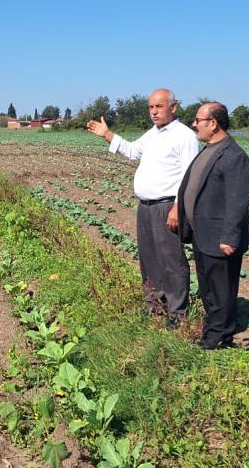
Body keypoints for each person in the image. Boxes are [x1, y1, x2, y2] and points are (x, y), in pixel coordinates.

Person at [86, 89, 199, 325]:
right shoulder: (153, 134)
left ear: (173, 107)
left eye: (159, 106)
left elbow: (189, 176)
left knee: (171, 259)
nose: (154, 112)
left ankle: (178, 313)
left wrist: (178, 207)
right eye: (151, 107)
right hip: (146, 206)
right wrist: (107, 135)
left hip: (167, 205)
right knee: (149, 258)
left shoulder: (184, 136)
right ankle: (155, 305)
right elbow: (131, 150)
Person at [176, 102, 249, 349]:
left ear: (213, 123)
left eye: (198, 120)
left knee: (221, 292)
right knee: (208, 289)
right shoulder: (209, 149)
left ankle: (219, 339)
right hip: (203, 235)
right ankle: (212, 331)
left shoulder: (234, 156)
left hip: (220, 238)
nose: (194, 124)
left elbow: (237, 201)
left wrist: (230, 237)